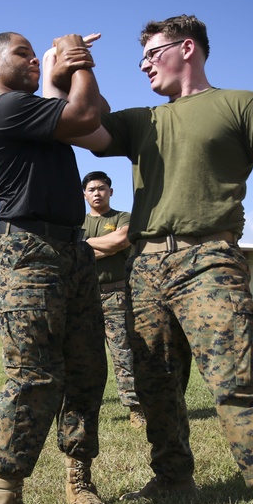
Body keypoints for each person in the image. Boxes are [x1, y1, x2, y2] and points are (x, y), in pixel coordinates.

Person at [52, 14, 253, 504]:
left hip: (209, 258)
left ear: (188, 48)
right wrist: (71, 66)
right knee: (153, 385)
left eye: (153, 52)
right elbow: (78, 123)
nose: (145, 63)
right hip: (146, 265)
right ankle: (174, 480)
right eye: (140, 57)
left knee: (236, 384)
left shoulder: (241, 104)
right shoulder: (142, 122)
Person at [0, 31, 109, 504]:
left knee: (85, 371)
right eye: (23, 54)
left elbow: (90, 117)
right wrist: (76, 61)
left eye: (38, 54)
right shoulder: (5, 109)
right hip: (29, 251)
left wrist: (65, 69)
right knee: (33, 376)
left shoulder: (34, 109)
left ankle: (80, 483)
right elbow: (83, 115)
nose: (34, 61)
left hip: (71, 251)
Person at [80, 171, 145, 429]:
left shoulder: (122, 217)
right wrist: (100, 247)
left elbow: (121, 240)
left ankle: (134, 409)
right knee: (85, 356)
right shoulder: (77, 221)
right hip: (85, 298)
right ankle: (85, 411)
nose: (97, 193)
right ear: (84, 194)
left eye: (102, 188)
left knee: (123, 354)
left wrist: (83, 245)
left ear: (111, 191)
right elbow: (72, 252)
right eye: (91, 189)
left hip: (116, 295)